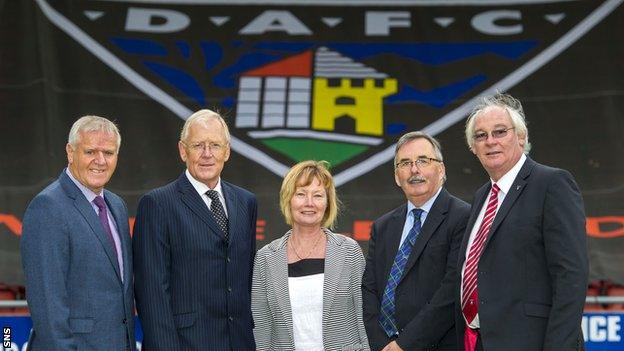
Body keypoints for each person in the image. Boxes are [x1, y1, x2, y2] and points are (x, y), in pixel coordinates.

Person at [457, 93, 588, 351]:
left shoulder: (552, 184)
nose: (490, 141)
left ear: (521, 136)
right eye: (481, 136)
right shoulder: (482, 196)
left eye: (499, 132)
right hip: (480, 342)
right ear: (473, 147)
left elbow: (571, 276)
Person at [133, 109, 257, 350]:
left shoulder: (246, 202)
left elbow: (246, 278)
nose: (207, 154)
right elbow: (151, 293)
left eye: (215, 145)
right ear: (183, 150)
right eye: (198, 145)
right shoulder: (157, 204)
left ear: (227, 151)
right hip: (186, 344)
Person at [20, 116, 135, 350]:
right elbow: (47, 304)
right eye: (90, 151)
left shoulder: (117, 206)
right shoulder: (48, 207)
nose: (100, 161)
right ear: (70, 153)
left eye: (109, 152)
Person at [362, 131, 470, 351]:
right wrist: (382, 344)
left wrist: (404, 345)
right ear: (396, 176)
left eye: (423, 160)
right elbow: (370, 289)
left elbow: (452, 291)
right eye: (405, 163)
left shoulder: (463, 217)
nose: (414, 170)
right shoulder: (383, 226)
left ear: (441, 170)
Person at [251, 160, 370, 351]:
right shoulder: (266, 258)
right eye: (301, 194)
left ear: (327, 203)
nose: (309, 203)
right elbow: (261, 329)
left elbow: (365, 316)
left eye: (318, 195)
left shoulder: (349, 251)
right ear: (288, 199)